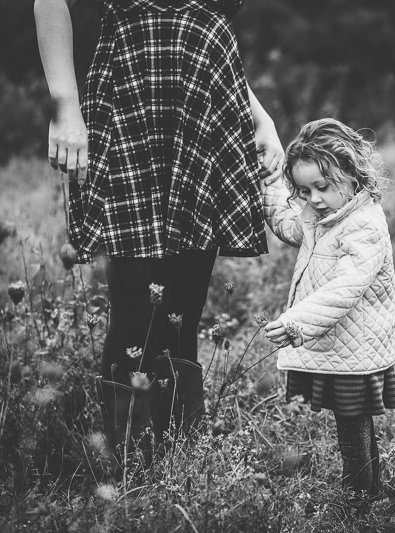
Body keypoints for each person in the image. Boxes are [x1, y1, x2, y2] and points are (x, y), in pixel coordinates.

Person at [33, 0, 283, 452]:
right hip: (132, 106)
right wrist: (64, 106)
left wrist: (259, 115)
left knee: (182, 315)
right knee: (134, 313)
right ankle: (126, 460)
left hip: (206, 114)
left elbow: (205, 29)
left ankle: (180, 457)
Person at [262, 118, 395, 508]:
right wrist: (269, 183)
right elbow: (291, 227)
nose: (314, 199)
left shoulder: (364, 225)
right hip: (340, 343)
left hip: (355, 345)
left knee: (352, 423)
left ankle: (358, 499)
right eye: (304, 190)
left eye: (322, 187)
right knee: (353, 419)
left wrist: (296, 322)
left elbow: (346, 286)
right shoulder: (322, 214)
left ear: (352, 174)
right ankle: (370, 492)